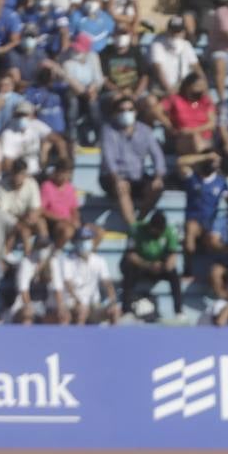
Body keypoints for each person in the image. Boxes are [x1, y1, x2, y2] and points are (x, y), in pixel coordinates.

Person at [100, 97, 165, 228]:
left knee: (157, 187)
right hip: (112, 177)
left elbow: (157, 156)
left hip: (137, 176)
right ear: (115, 113)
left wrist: (158, 176)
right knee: (122, 187)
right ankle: (133, 228)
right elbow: (108, 158)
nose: (126, 113)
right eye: (122, 110)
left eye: (130, 109)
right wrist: (116, 179)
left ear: (135, 112)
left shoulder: (145, 130)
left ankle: (140, 220)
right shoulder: (108, 130)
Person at [50, 228, 121, 325]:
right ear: (75, 243)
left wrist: (112, 301)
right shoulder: (67, 261)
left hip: (93, 305)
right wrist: (79, 301)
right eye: (82, 240)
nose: (85, 243)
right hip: (74, 303)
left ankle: (114, 338)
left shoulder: (99, 260)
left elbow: (107, 283)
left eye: (88, 240)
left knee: (115, 311)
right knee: (82, 311)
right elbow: (68, 284)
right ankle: (79, 339)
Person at [121, 211, 182, 318]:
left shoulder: (170, 231)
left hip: (159, 266)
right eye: (156, 231)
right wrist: (148, 265)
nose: (158, 234)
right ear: (150, 226)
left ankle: (179, 311)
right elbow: (130, 255)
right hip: (141, 265)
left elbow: (173, 256)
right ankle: (126, 310)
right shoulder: (136, 229)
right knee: (129, 269)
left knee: (174, 274)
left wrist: (165, 265)